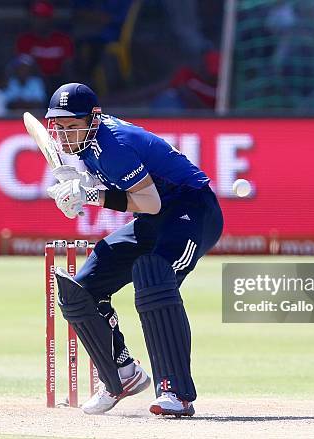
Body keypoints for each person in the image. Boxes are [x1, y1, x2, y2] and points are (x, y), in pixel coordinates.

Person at [45, 82, 223, 416]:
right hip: (155, 219)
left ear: (93, 119)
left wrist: (92, 196)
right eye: (60, 128)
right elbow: (124, 194)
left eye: (73, 126)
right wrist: (78, 188)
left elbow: (151, 203)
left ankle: (176, 393)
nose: (66, 136)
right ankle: (123, 373)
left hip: (192, 211)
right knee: (80, 289)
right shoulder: (86, 145)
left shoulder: (116, 144)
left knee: (153, 274)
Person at [16, 0, 75, 92]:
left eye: (41, 17)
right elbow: (24, 68)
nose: (36, 21)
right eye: (34, 17)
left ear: (49, 19)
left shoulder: (63, 40)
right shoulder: (25, 40)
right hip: (35, 86)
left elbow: (68, 68)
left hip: (60, 84)